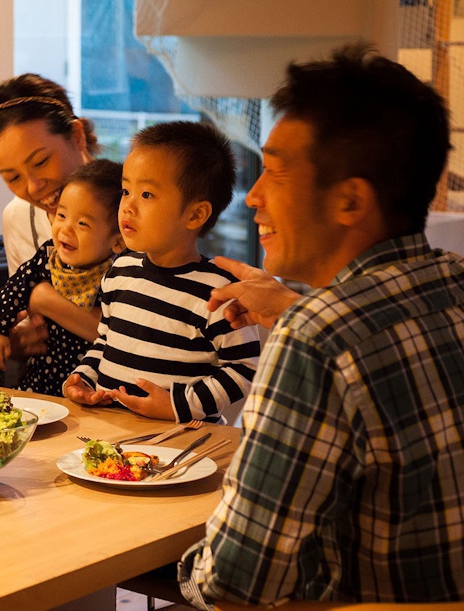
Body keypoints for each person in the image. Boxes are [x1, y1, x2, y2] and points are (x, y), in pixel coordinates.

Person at [179, 46, 464, 606]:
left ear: (351, 201)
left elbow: (238, 584)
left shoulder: (315, 340)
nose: (253, 198)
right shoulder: (453, 282)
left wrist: (184, 565)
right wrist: (295, 307)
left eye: (276, 172)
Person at [65, 121, 260, 422]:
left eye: (146, 195)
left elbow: (244, 369)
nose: (127, 205)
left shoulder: (219, 291)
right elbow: (105, 341)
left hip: (182, 445)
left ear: (195, 214)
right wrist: (85, 378)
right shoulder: (120, 271)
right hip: (112, 433)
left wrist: (178, 406)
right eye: (126, 190)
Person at [0, 74, 100, 377]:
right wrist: (16, 340)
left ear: (77, 136)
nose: (33, 187)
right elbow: (25, 317)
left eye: (41, 161)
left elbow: (143, 335)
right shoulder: (19, 217)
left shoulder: (128, 208)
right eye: (13, 177)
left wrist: (46, 300)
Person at [0, 159, 124, 395]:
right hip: (43, 370)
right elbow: (15, 288)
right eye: (61, 215)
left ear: (117, 241)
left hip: (93, 382)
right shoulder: (48, 256)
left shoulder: (119, 273)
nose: (66, 229)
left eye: (82, 223)